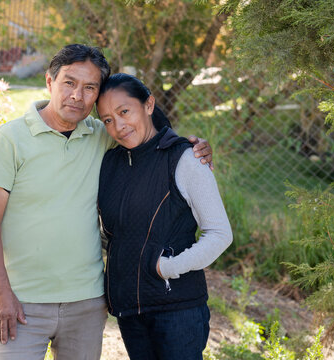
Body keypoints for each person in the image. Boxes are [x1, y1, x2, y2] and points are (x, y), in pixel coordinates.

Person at [0, 44, 213, 360]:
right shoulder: (10, 140)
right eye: (69, 83)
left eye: (90, 88)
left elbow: (145, 134)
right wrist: (0, 293)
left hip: (86, 302)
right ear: (49, 82)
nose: (78, 95)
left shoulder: (102, 134)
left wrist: (188, 147)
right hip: (22, 301)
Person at [96, 73, 233, 360]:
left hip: (177, 310)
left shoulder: (184, 157)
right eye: (108, 120)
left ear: (148, 104)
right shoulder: (110, 163)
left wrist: (169, 268)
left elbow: (220, 233)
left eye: (124, 112)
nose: (119, 126)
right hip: (130, 311)